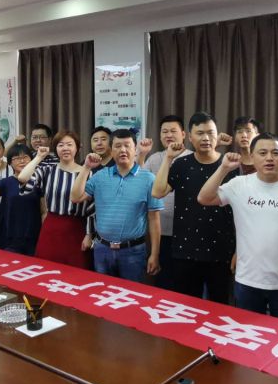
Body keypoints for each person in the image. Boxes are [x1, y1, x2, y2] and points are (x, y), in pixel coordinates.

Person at [198, 134, 278, 321]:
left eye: (275, 153)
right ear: (252, 157)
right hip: (247, 280)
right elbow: (204, 198)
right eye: (262, 153)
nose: (269, 158)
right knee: (247, 332)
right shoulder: (240, 184)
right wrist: (223, 168)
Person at [152, 112, 235, 302]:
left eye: (210, 133)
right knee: (186, 307)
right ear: (190, 137)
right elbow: (157, 192)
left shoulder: (230, 166)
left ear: (217, 135)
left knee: (219, 306)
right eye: (200, 133)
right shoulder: (181, 164)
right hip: (185, 251)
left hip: (221, 252)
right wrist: (168, 158)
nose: (206, 138)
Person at [71, 129, 162, 282]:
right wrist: (86, 167)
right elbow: (75, 197)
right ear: (111, 150)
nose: (123, 150)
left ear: (135, 149)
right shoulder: (100, 176)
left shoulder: (149, 179)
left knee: (132, 293)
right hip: (102, 249)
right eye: (118, 146)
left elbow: (154, 219)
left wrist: (154, 254)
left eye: (127, 145)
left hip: (133, 251)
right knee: (102, 292)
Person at [17, 130, 92, 268]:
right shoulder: (47, 170)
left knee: (76, 273)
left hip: (77, 228)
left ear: (77, 147)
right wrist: (39, 157)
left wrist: (89, 234)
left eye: (69, 144)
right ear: (55, 149)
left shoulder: (87, 173)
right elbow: (22, 178)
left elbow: (92, 209)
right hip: (52, 226)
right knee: (46, 270)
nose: (65, 148)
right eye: (60, 145)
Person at [143, 115, 190, 290]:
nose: (168, 135)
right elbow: (141, 182)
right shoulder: (154, 159)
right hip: (161, 232)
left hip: (187, 233)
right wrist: (142, 154)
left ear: (183, 134)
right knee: (164, 282)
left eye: (173, 131)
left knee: (187, 283)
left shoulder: (193, 157)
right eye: (164, 131)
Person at [0, 144, 44, 255]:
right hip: (9, 235)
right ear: (10, 163)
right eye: (17, 158)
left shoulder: (38, 181)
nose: (22, 161)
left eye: (25, 157)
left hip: (33, 234)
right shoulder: (6, 182)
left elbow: (44, 210)